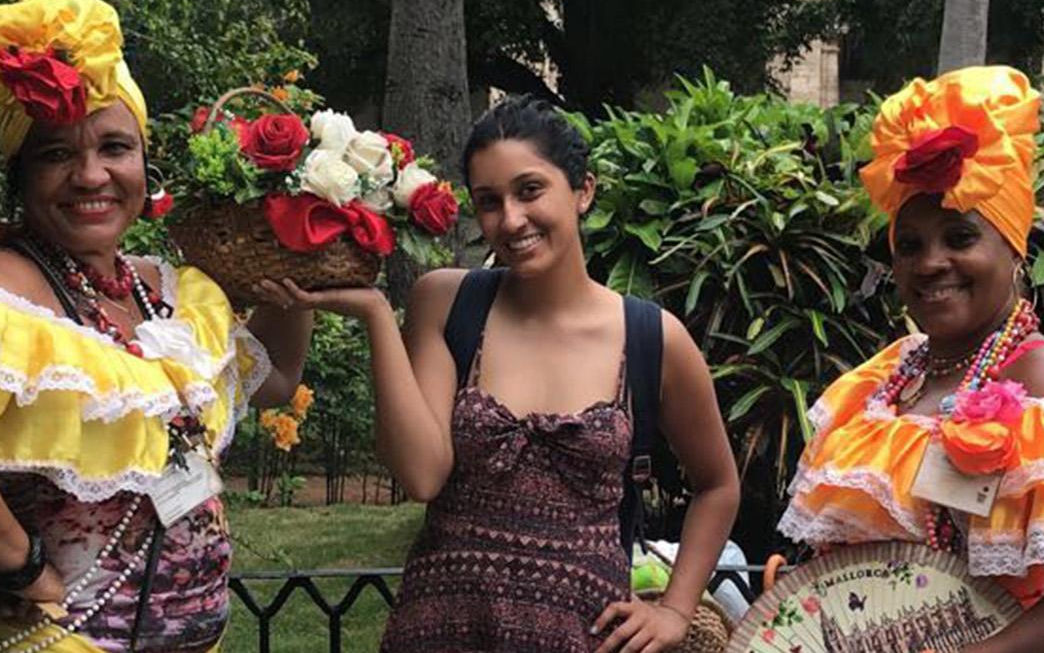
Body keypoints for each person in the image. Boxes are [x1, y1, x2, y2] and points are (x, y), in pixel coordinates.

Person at [0, 0, 313, 652]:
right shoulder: (2, 291)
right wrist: (22, 565)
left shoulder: (162, 289)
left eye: (114, 148)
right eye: (56, 154)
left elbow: (271, 383)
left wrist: (294, 283)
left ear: (144, 163)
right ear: (20, 176)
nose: (92, 174)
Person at [265, 95, 740, 652]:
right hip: (439, 632)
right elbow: (421, 475)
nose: (511, 220)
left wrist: (677, 608)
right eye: (489, 202)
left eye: (530, 190)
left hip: (583, 639)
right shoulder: (449, 303)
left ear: (583, 190)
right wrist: (375, 315)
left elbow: (718, 485)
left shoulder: (651, 340)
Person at [776, 66, 1044, 652]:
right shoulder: (884, 380)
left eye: (960, 237)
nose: (930, 264)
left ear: (1013, 247)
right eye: (910, 246)